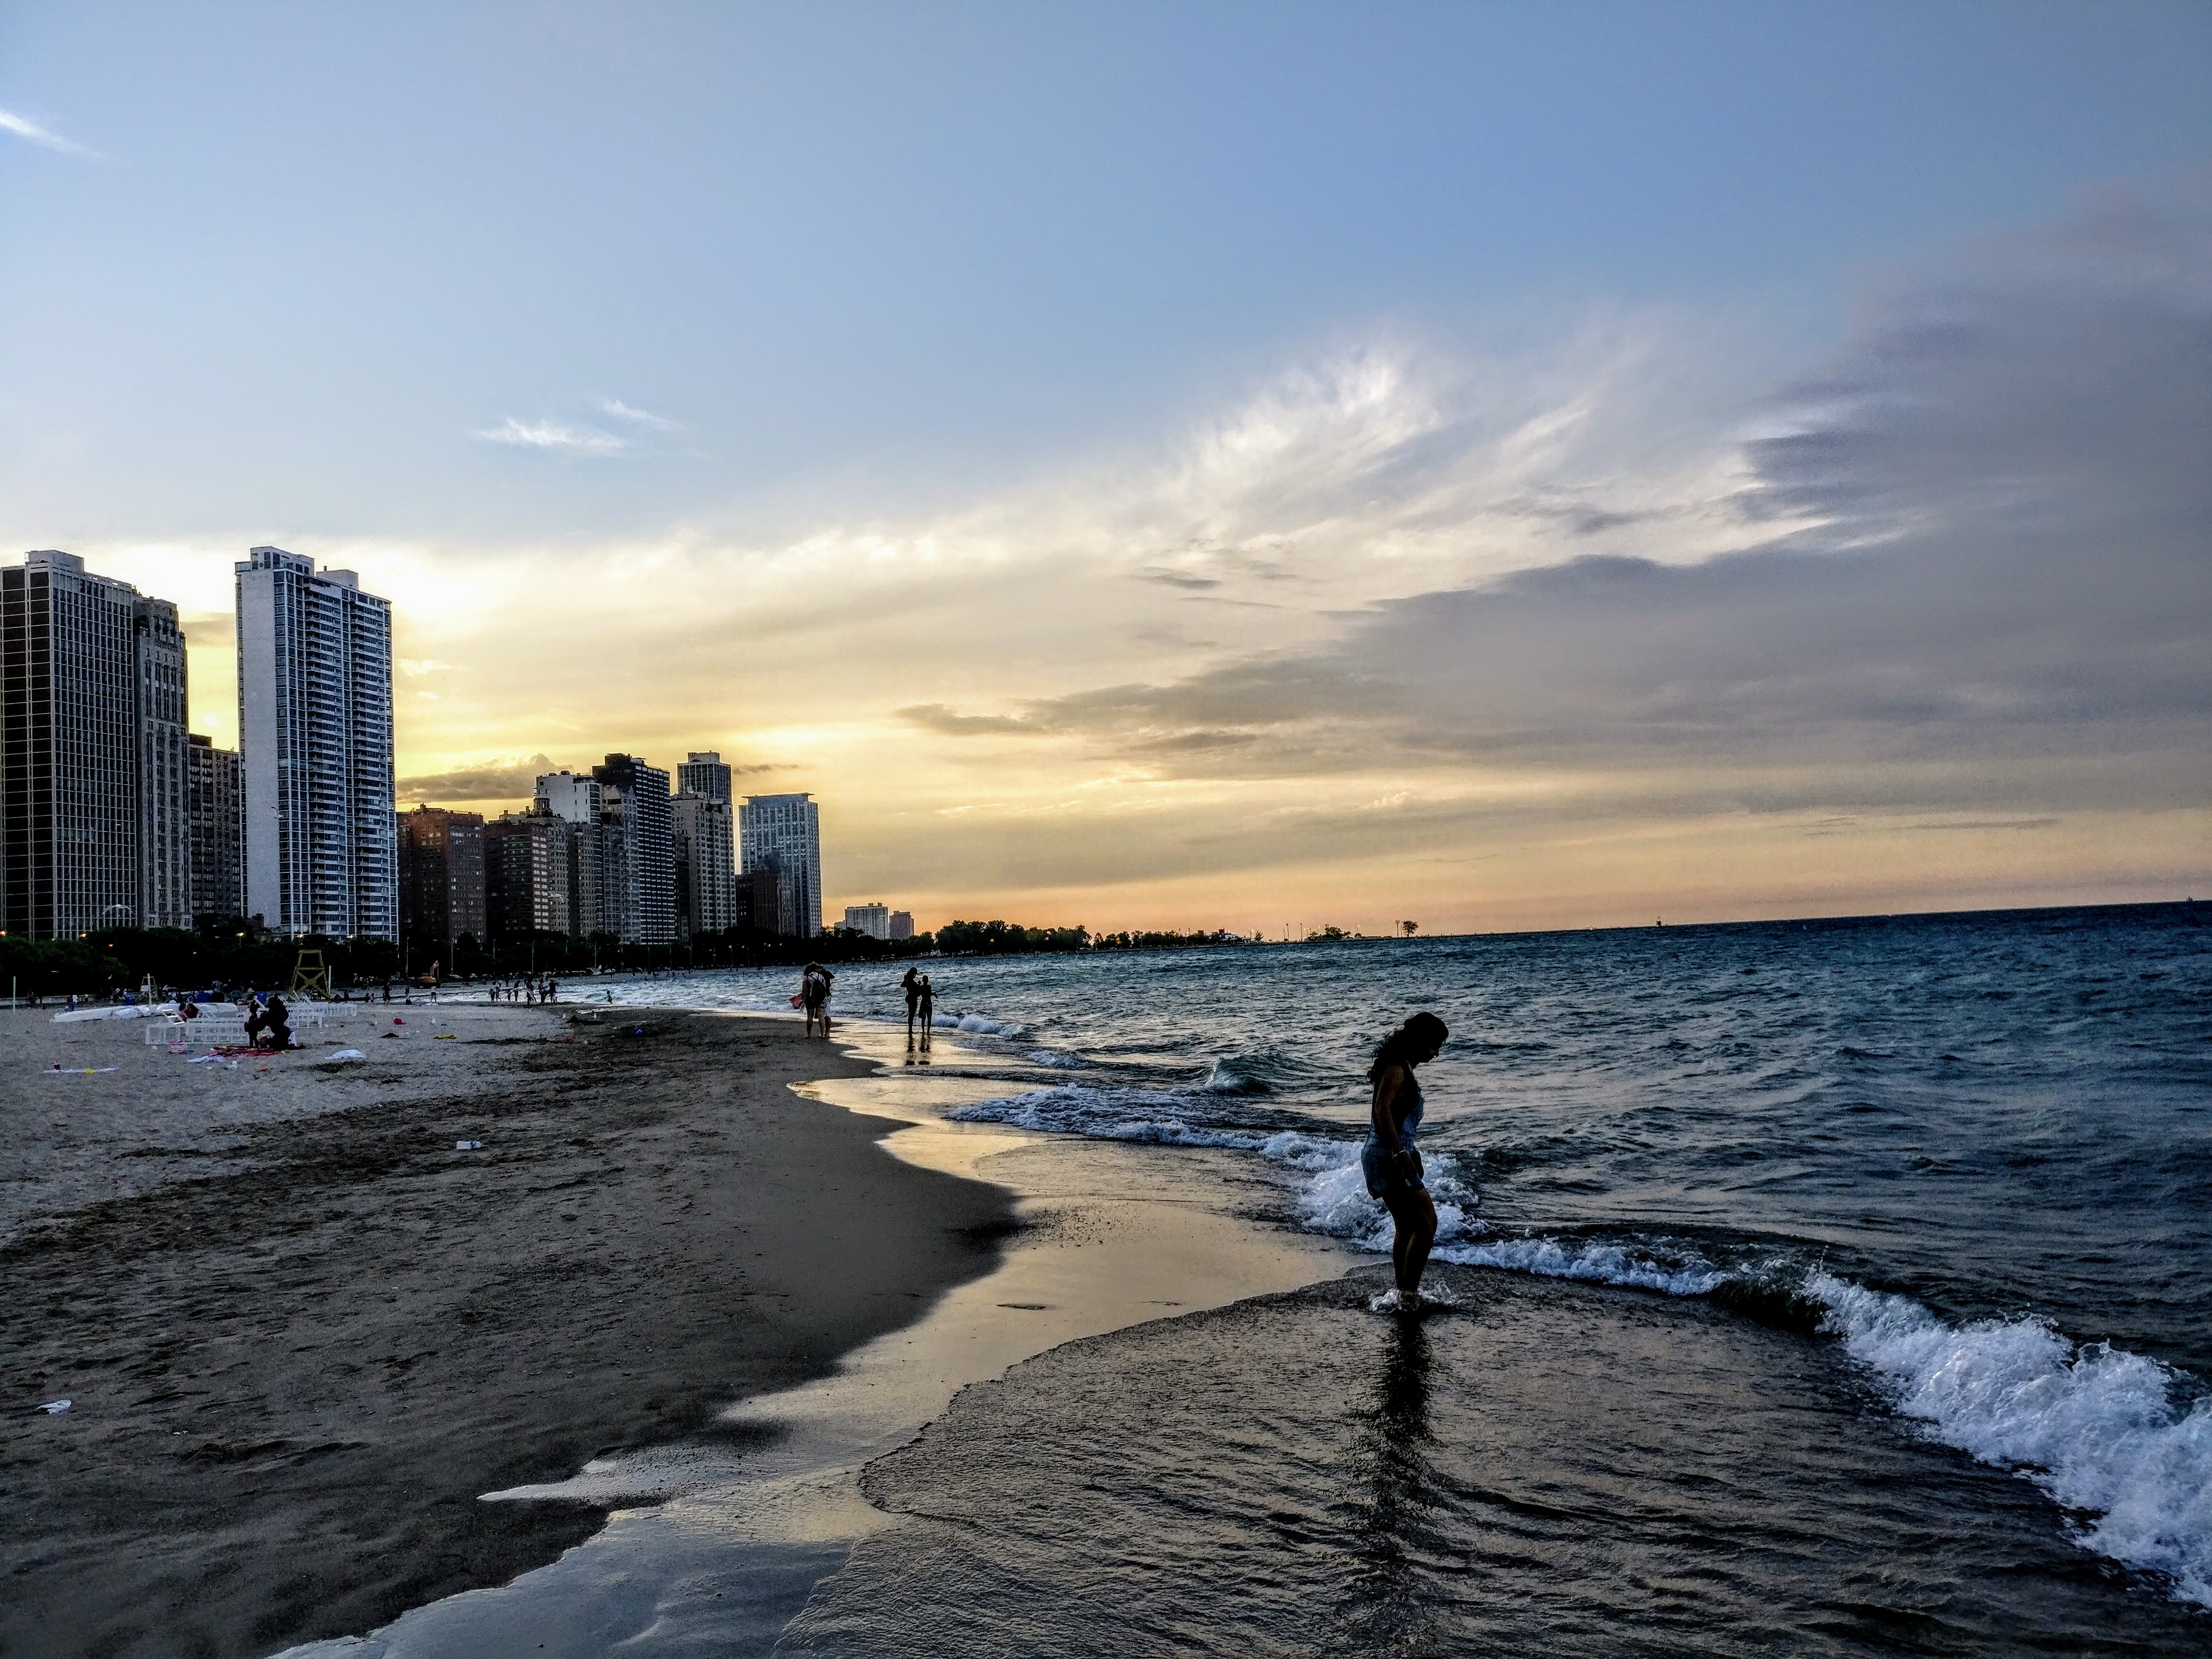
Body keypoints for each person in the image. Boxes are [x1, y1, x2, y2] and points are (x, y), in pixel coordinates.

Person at [1361, 1011, 1449, 1309]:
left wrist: (1412, 1153)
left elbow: (1400, 1121)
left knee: (1406, 1226)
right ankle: (1409, 1295)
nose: (1436, 1053)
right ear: (1420, 1040)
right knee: (1427, 1223)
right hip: (1388, 1155)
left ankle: (1403, 1295)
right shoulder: (1397, 1068)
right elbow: (1381, 1111)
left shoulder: (1401, 1067)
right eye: (1434, 1045)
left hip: (1387, 1152)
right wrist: (1401, 1154)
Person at [801, 962, 834, 1038]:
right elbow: (826, 987)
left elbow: (804, 990)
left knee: (810, 1017)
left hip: (810, 998)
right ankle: (824, 1034)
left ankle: (809, 1034)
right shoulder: (822, 976)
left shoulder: (807, 978)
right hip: (822, 998)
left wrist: (802, 1000)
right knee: (822, 1016)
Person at [901, 966, 924, 1047]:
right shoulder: (911, 981)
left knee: (910, 1014)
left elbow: (902, 985)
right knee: (912, 1014)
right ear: (914, 974)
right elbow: (917, 988)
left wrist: (906, 979)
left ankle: (910, 1029)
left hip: (909, 997)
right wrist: (919, 984)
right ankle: (910, 1030)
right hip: (913, 998)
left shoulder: (908, 980)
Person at [915, 973, 935, 1052]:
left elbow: (918, 994)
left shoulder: (921, 987)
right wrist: (935, 994)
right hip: (929, 1003)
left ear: (923, 981)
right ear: (928, 981)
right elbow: (930, 994)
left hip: (923, 1003)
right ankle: (928, 1031)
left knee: (923, 1018)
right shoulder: (929, 987)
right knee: (929, 1018)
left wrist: (919, 985)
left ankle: (923, 1031)